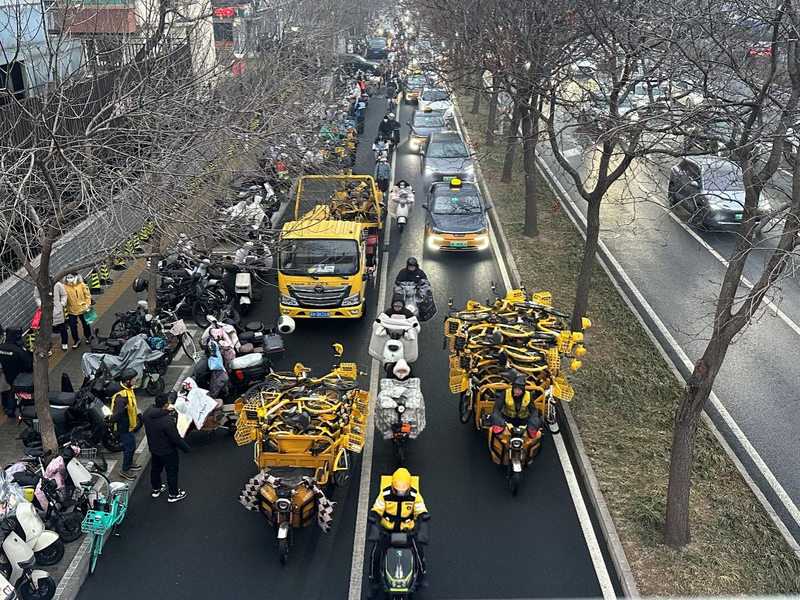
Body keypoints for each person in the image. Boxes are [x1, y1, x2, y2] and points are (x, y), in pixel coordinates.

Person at [368, 468, 429, 595]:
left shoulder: (415, 495)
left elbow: (421, 511)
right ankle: (373, 582)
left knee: (419, 552)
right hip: (387, 531)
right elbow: (376, 510)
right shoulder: (385, 494)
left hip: (408, 532)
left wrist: (423, 526)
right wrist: (375, 525)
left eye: (404, 487)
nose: (401, 491)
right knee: (375, 554)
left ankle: (422, 576)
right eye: (398, 487)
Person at [143, 393, 190, 503]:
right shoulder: (167, 421)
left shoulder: (146, 413)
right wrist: (186, 448)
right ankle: (173, 494)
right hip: (168, 451)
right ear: (166, 404)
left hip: (154, 448)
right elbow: (175, 438)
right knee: (171, 472)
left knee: (155, 469)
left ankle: (156, 488)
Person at [108, 368, 141, 481]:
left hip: (129, 425)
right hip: (124, 427)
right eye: (134, 378)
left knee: (131, 446)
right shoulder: (122, 397)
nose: (136, 380)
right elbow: (117, 413)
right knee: (129, 447)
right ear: (127, 381)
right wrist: (111, 421)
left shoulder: (128, 389)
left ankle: (130, 462)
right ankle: (125, 469)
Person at [0, 327, 32, 418]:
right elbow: (28, 364)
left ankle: (7, 407)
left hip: (4, 373)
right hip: (18, 374)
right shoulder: (19, 350)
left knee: (6, 391)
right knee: (14, 390)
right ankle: (21, 406)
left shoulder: (1, 347)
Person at [33, 282, 69, 351]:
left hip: (57, 310)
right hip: (46, 310)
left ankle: (64, 342)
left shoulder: (57, 284)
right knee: (46, 331)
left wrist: (62, 303)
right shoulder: (38, 286)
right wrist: (40, 304)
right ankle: (48, 347)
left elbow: (64, 294)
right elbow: (37, 297)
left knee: (62, 328)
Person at [62, 272, 92, 348]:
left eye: (71, 277)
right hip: (71, 310)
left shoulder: (81, 284)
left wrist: (87, 304)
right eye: (68, 277)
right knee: (72, 326)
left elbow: (87, 295)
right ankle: (76, 340)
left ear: (75, 277)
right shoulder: (64, 286)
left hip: (83, 308)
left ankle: (88, 336)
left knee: (86, 324)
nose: (69, 279)